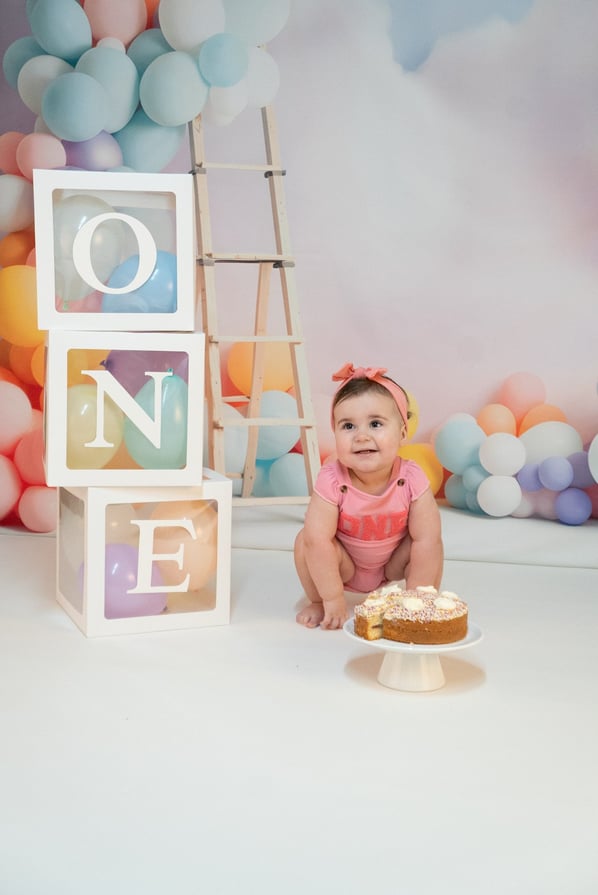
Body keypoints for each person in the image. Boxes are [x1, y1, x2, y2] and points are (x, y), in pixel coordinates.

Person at [295, 363, 444, 629]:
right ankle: (319, 600)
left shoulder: (411, 478)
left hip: (391, 564)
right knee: (305, 540)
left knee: (430, 542)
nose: (361, 436)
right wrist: (332, 598)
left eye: (375, 424)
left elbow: (426, 538)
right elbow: (318, 541)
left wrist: (417, 595)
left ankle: (419, 603)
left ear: (401, 433)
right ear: (335, 433)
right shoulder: (332, 479)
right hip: (345, 565)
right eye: (348, 426)